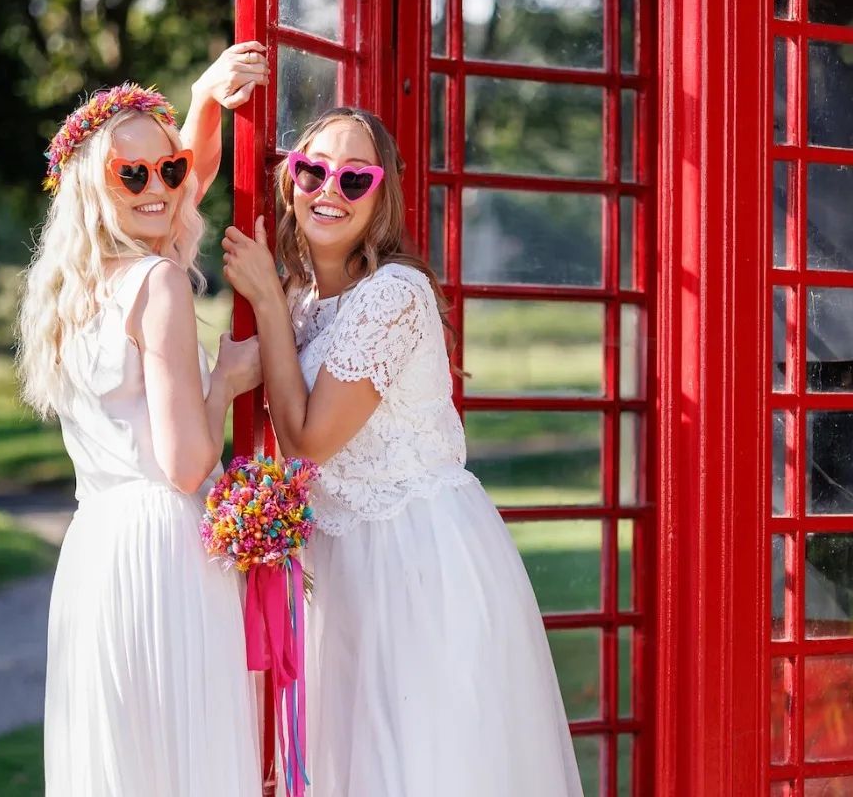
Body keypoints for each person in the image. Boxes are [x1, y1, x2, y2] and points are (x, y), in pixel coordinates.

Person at [221, 106, 583, 797]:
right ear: (289, 181)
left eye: (355, 178)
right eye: (313, 170)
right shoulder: (304, 303)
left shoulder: (393, 295)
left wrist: (265, 299)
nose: (330, 189)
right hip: (342, 570)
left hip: (416, 563)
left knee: (418, 768)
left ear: (381, 197)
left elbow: (306, 441)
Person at [16, 46, 269, 797]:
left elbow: (179, 190)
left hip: (96, 548)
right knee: (187, 762)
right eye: (132, 175)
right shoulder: (158, 282)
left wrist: (204, 102)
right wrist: (225, 383)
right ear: (97, 188)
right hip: (166, 549)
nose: (159, 187)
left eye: (169, 168)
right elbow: (187, 463)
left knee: (129, 766)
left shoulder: (69, 294)